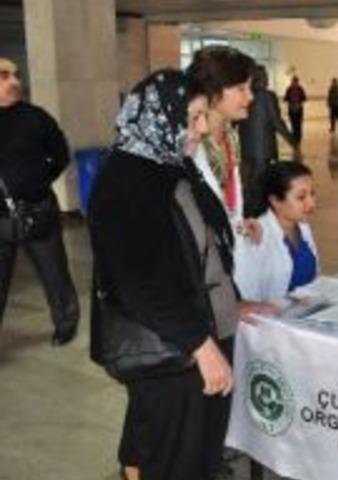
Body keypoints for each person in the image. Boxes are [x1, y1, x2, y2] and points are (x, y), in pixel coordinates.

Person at [89, 69, 277, 480]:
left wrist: (232, 301)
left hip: (199, 330)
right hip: (172, 349)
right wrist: (201, 347)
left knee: (197, 453)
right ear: (159, 117)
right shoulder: (127, 181)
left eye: (200, 116)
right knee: (177, 459)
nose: (200, 127)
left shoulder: (171, 165)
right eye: (191, 118)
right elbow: (140, 283)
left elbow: (203, 249)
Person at [0, 57, 79, 345]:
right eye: (3, 76)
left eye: (15, 75)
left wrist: (37, 181)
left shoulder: (35, 117)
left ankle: (66, 323)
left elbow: (60, 153)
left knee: (54, 272)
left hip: (38, 210)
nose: (14, 82)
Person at [186, 46, 256, 227]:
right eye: (241, 88)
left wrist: (239, 225)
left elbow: (230, 204)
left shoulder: (231, 137)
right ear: (213, 91)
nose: (250, 96)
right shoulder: (190, 146)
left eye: (249, 87)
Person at [234, 162, 318, 303]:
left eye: (312, 194)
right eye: (301, 197)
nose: (311, 203)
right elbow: (247, 298)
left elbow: (315, 279)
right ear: (275, 201)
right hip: (273, 319)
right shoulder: (255, 235)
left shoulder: (303, 228)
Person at [238, 65, 295, 216]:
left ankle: (248, 214)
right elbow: (277, 122)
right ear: (262, 78)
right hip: (264, 151)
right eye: (266, 75)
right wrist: (293, 142)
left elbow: (234, 122)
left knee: (249, 184)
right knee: (263, 184)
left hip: (246, 149)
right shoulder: (267, 96)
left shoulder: (245, 95)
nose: (268, 78)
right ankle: (259, 217)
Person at [284, 76, 307, 144]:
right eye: (294, 81)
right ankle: (295, 136)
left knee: (298, 123)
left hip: (298, 108)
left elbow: (304, 98)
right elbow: (286, 98)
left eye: (295, 82)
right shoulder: (290, 89)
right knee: (294, 123)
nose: (294, 83)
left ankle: (298, 137)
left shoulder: (299, 89)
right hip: (292, 108)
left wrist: (297, 99)